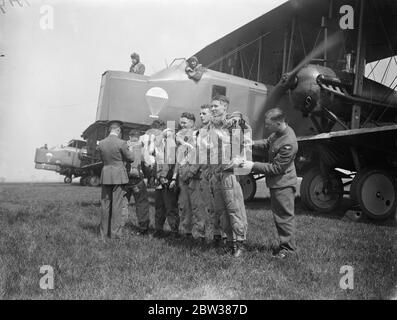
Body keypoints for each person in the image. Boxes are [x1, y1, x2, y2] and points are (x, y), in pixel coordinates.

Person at [239, 107, 298, 259]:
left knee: (284, 217)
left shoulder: (288, 143)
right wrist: (251, 143)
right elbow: (268, 143)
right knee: (280, 216)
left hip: (283, 184)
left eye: (268, 125)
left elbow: (276, 168)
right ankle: (285, 246)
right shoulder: (279, 132)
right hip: (278, 183)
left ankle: (289, 250)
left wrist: (252, 165)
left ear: (278, 123)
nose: (266, 127)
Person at [207, 95, 251, 257]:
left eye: (216, 106)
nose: (212, 109)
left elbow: (246, 141)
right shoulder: (211, 125)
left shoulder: (234, 122)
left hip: (229, 173)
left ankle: (241, 242)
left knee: (234, 208)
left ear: (225, 107)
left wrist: (240, 159)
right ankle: (230, 241)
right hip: (216, 172)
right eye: (211, 106)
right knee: (221, 210)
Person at [170, 112, 206, 242]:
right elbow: (179, 159)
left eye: (184, 122)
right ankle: (187, 232)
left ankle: (200, 234)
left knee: (197, 206)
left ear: (192, 122)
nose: (182, 125)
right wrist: (175, 177)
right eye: (181, 122)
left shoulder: (198, 135)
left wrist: (190, 173)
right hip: (182, 176)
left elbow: (200, 155)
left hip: (195, 176)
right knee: (184, 205)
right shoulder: (180, 137)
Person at [98, 120, 134, 239]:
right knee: (117, 206)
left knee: (105, 205)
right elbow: (131, 158)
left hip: (106, 174)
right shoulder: (122, 143)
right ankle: (115, 234)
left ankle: (103, 234)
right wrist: (131, 149)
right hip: (118, 176)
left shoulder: (101, 143)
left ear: (110, 130)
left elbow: (102, 160)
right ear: (118, 130)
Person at [152, 122, 180, 239]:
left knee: (171, 207)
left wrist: (172, 178)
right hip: (160, 182)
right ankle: (158, 229)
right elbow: (156, 165)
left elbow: (176, 166)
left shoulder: (176, 150)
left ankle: (174, 231)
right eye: (166, 136)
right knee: (159, 207)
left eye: (170, 136)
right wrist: (157, 177)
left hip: (169, 181)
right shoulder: (159, 150)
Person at [125, 129, 150, 236]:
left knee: (123, 203)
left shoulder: (124, 146)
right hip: (138, 180)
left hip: (125, 180)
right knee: (141, 204)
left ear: (129, 137)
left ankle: (119, 225)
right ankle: (143, 228)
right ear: (139, 137)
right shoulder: (142, 147)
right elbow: (147, 164)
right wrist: (148, 176)